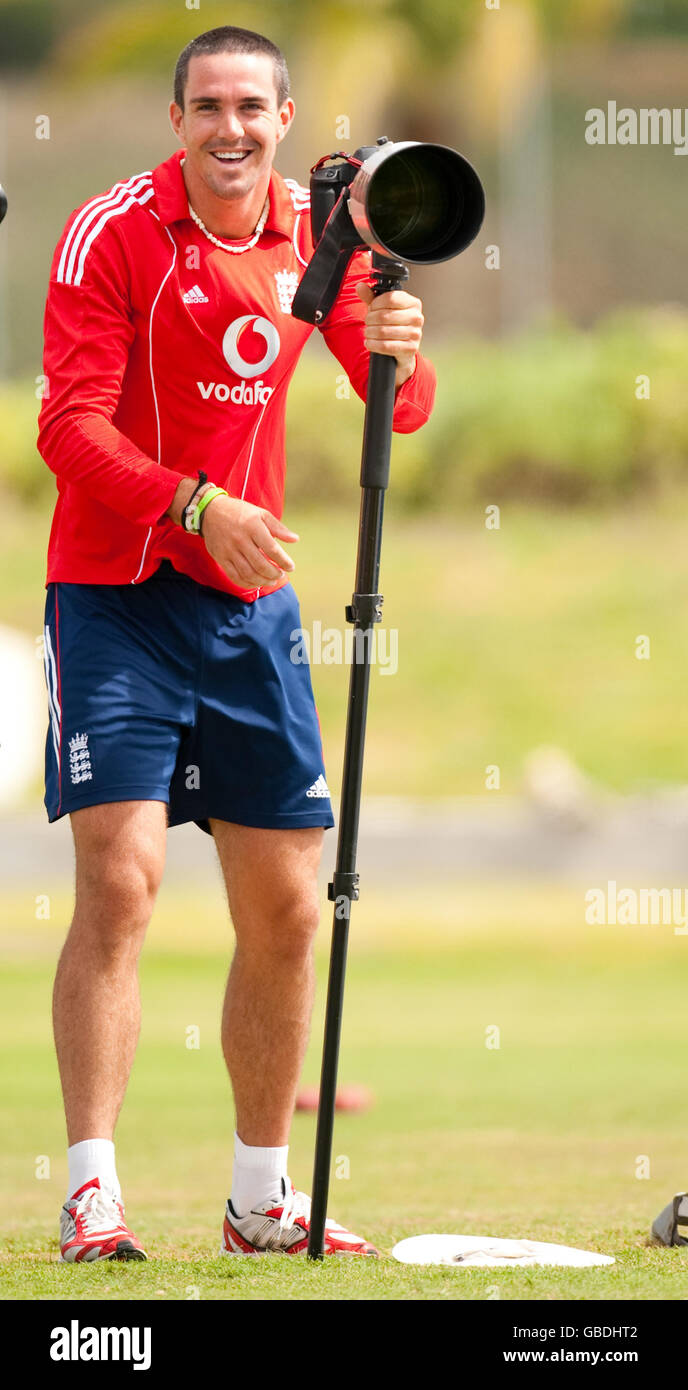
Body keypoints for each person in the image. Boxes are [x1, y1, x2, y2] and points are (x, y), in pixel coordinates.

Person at [38, 24, 435, 1262]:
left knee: (288, 910)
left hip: (251, 616)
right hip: (116, 593)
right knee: (123, 880)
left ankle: (261, 1199)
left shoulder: (315, 241)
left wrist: (393, 340)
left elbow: (403, 409)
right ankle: (91, 1192)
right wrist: (196, 504)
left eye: (252, 107)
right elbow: (66, 427)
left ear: (283, 115)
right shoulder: (114, 232)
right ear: (176, 119)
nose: (231, 128)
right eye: (207, 104)